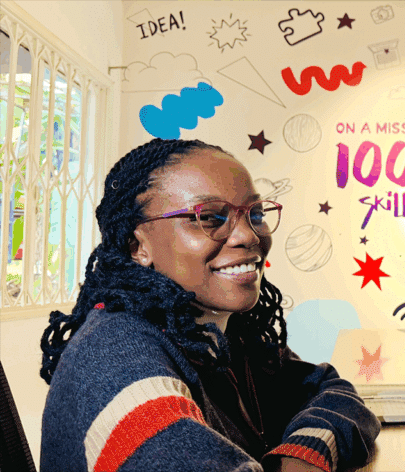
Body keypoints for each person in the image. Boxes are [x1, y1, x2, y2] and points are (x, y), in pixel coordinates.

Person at [39, 138, 381, 472]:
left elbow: (329, 390)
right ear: (136, 245)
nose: (248, 235)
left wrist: (303, 453)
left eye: (255, 213)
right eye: (210, 217)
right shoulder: (115, 360)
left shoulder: (219, 336)